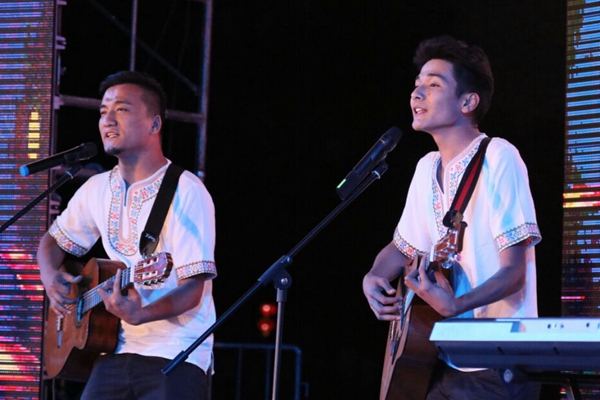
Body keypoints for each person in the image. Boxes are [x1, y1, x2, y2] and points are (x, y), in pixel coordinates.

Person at [362, 36, 541, 399]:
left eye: (433, 85)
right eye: (417, 84)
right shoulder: (426, 167)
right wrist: (374, 275)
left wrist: (456, 304)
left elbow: (513, 273)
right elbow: (402, 247)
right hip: (444, 357)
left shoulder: (498, 156)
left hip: (498, 361)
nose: (417, 94)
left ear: (468, 102)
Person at [37, 70, 216, 400]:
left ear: (154, 124)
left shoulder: (187, 191)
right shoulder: (96, 188)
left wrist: (141, 314)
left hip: (177, 353)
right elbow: (51, 243)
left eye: (121, 109)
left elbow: (193, 289)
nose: (108, 120)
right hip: (113, 350)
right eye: (103, 111)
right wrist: (50, 278)